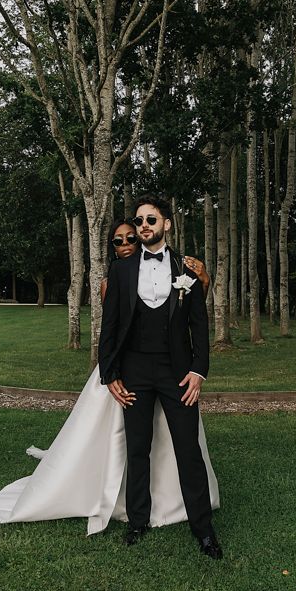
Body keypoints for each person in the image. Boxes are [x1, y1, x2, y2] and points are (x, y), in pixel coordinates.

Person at [0, 217, 219, 539]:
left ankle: (179, 508)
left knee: (178, 445)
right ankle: (123, 506)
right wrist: (110, 374)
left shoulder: (171, 268)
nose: (127, 244)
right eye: (119, 241)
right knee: (121, 442)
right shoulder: (114, 279)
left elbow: (187, 311)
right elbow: (114, 330)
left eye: (131, 238)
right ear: (112, 248)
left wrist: (204, 279)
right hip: (123, 369)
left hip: (167, 371)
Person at [99, 195, 222, 559]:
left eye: (151, 219)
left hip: (178, 373)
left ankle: (203, 530)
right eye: (139, 221)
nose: (144, 226)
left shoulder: (188, 268)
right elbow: (110, 326)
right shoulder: (121, 270)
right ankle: (138, 521)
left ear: (167, 223)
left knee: (189, 449)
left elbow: (199, 326)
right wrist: (110, 374)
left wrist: (199, 370)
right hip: (134, 371)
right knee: (138, 449)